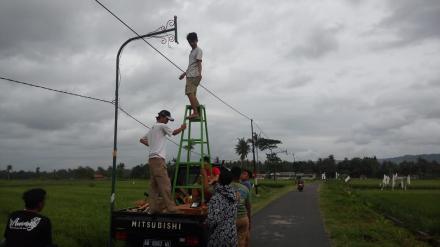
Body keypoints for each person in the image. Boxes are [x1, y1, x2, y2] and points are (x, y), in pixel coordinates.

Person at [140, 110, 186, 214]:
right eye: (167, 119)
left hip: (151, 160)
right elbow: (174, 133)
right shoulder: (161, 126)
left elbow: (141, 140)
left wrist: (152, 145)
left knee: (154, 186)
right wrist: (182, 128)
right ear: (162, 117)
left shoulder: (152, 128)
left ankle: (153, 208)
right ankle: (171, 208)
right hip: (158, 159)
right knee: (165, 185)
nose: (167, 122)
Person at [205, 168, 238, 247]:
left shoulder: (217, 198)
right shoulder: (234, 195)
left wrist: (205, 223)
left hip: (219, 237)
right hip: (232, 234)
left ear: (219, 180)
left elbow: (212, 220)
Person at [179, 32, 203, 119]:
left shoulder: (198, 50)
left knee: (189, 93)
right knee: (192, 94)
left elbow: (199, 63)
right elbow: (191, 65)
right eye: (190, 42)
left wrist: (200, 74)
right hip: (190, 74)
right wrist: (184, 74)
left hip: (194, 75)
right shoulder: (192, 51)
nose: (191, 44)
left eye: (193, 41)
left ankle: (196, 112)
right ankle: (198, 111)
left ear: (196, 40)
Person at [231, 167, 251, 247]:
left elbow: (208, 189)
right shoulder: (245, 188)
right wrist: (249, 219)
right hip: (243, 218)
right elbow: (248, 206)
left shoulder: (225, 187)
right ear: (239, 175)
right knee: (241, 240)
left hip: (231, 219)